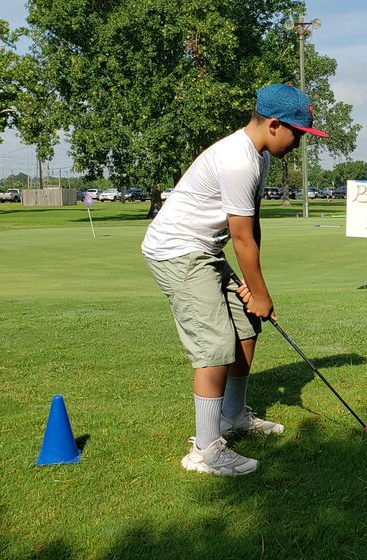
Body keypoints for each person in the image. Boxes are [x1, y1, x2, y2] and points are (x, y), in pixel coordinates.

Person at [142, 83, 328, 476]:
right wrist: (259, 292)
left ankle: (231, 417)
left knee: (246, 326)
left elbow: (252, 226)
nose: (300, 143)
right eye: (299, 134)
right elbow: (240, 237)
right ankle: (205, 451)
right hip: (177, 251)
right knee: (215, 344)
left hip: (207, 250)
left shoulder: (259, 158)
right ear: (275, 125)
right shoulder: (239, 160)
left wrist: (259, 293)